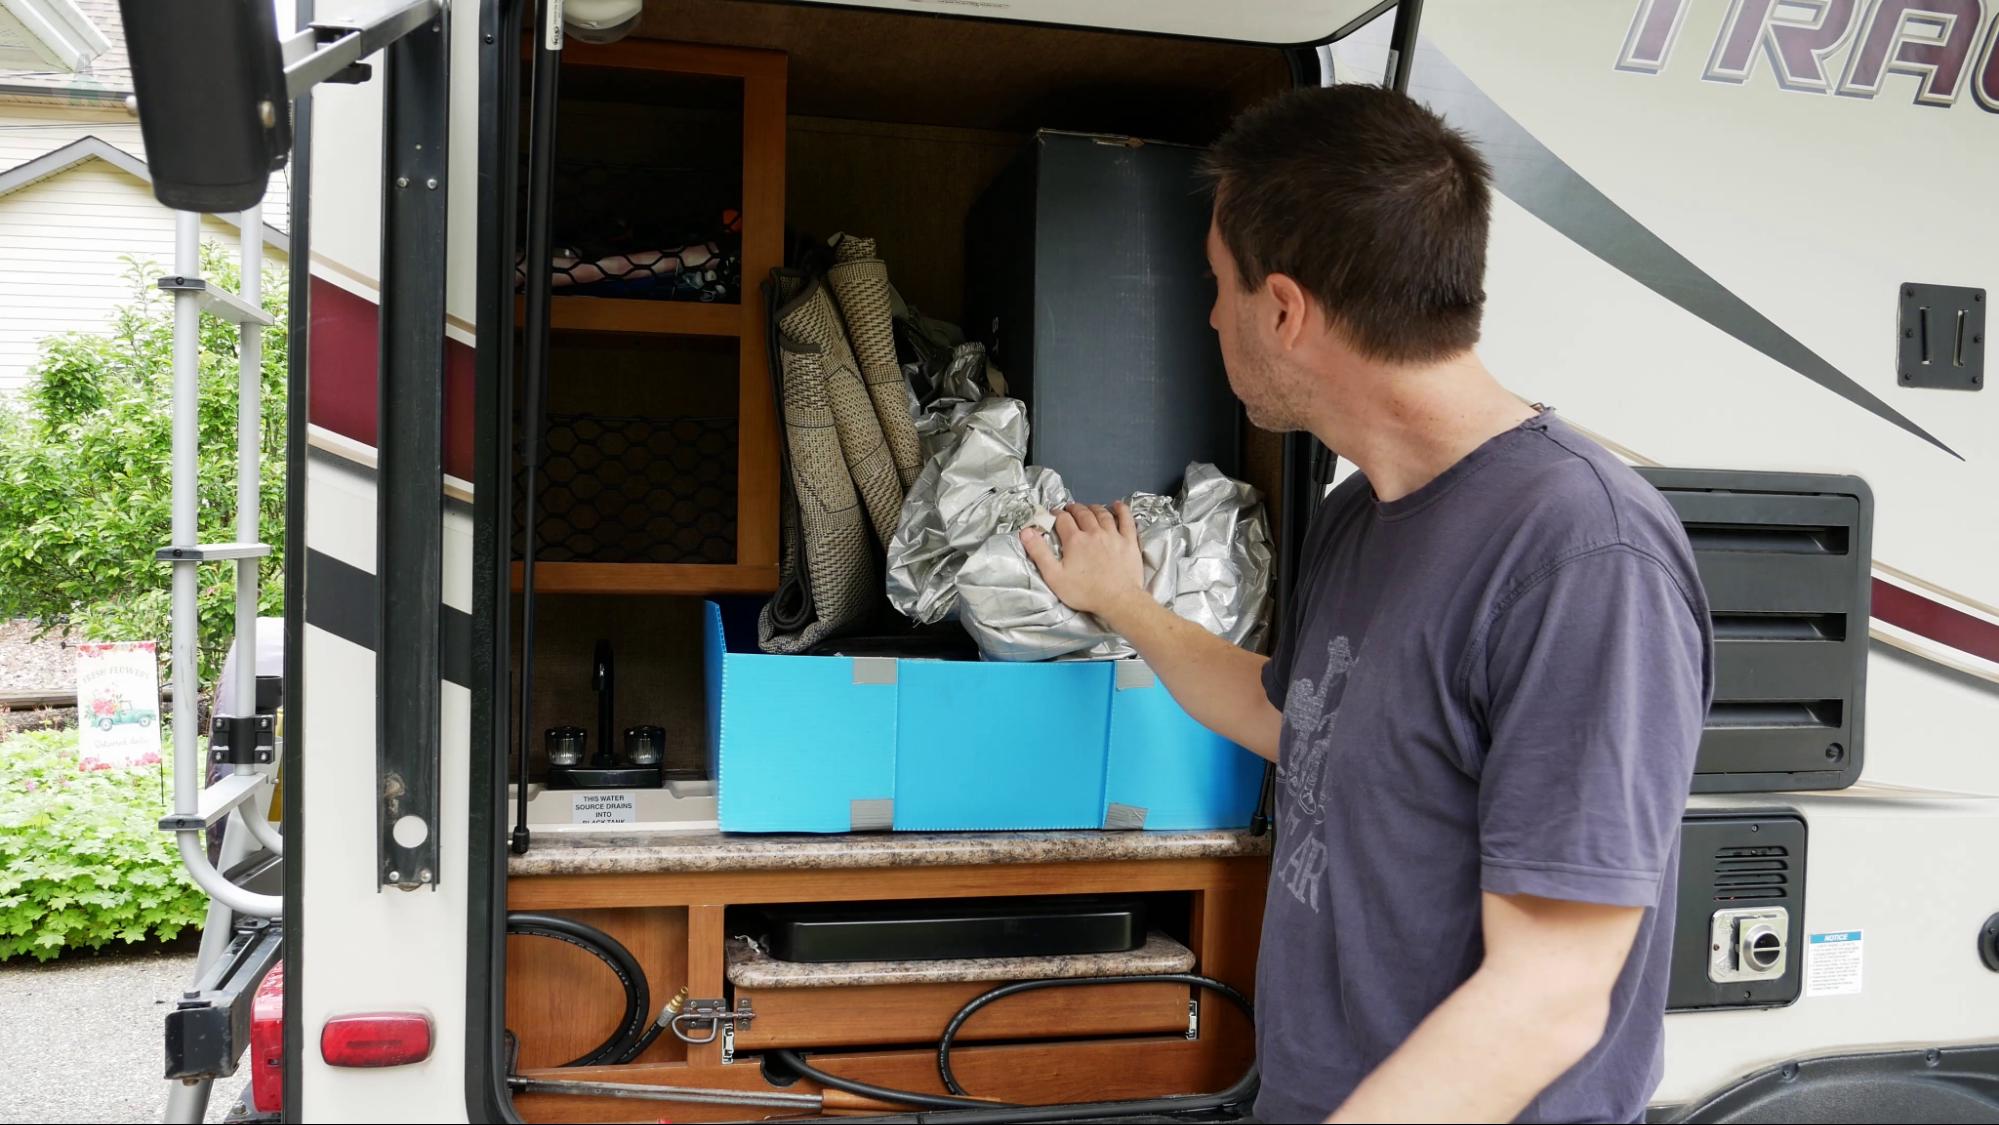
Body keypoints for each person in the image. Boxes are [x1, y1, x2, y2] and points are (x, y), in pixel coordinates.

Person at [1021, 85, 1714, 1124]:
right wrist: (1125, 604)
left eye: (1217, 286)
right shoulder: (1358, 515)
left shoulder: (1582, 555)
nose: (1210, 315)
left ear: (1286, 311)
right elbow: (1289, 716)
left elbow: (1551, 996)